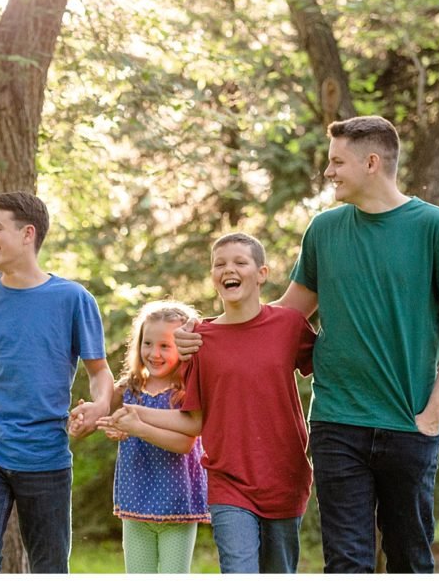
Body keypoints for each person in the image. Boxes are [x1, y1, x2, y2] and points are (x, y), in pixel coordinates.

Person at [178, 115, 439, 573]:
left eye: (337, 162)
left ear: (372, 162)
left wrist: (433, 413)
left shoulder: (435, 228)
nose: (328, 172)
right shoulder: (325, 230)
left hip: (409, 421)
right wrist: (207, 333)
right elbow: (281, 315)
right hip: (337, 422)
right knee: (345, 561)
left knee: (409, 558)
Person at [101, 233, 315, 573]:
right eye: (220, 264)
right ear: (213, 276)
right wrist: (131, 414)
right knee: (238, 569)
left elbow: (333, 369)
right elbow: (192, 420)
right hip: (227, 481)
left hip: (284, 477)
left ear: (262, 273)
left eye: (240, 262)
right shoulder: (201, 340)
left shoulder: (288, 324)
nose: (229, 269)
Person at [0, 191, 114, 574]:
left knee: (48, 566)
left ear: (28, 234)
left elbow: (99, 372)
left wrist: (99, 406)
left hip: (46, 454)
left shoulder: (73, 299)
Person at [96, 300, 210, 574]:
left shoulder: (186, 392)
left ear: (183, 348)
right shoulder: (128, 388)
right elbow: (104, 411)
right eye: (147, 343)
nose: (154, 353)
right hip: (135, 501)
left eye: (165, 346)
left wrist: (137, 427)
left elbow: (185, 443)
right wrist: (104, 421)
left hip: (177, 506)